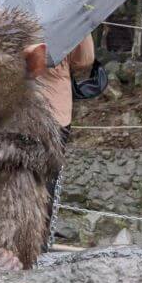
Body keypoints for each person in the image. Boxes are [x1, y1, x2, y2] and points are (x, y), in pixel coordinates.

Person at [39, 34, 95, 248]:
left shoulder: (18, 15)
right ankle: (41, 241)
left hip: (22, 110)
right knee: (49, 180)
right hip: (56, 113)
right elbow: (85, 59)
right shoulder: (69, 16)